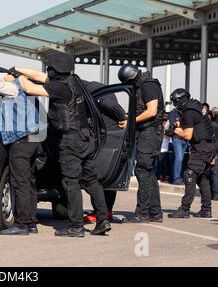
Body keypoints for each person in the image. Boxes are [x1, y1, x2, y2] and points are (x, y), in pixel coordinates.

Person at [14, 52, 112, 237]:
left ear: (55, 70)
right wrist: (18, 68)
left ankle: (76, 226)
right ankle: (102, 220)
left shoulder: (59, 88)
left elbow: (28, 87)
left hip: (71, 140)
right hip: (85, 138)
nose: (47, 72)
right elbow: (37, 76)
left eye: (49, 68)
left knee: (70, 182)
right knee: (91, 180)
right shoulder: (76, 82)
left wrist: (16, 76)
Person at [0, 70, 42, 235]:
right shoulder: (30, 90)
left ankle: (21, 224)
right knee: (29, 182)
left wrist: (3, 75)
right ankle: (31, 223)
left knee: (20, 182)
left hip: (20, 140)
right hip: (33, 139)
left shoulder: (15, 87)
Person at [118, 64, 164, 223]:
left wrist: (130, 121)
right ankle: (155, 213)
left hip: (150, 133)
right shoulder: (142, 86)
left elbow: (151, 111)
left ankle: (142, 213)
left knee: (143, 171)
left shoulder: (148, 85)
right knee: (148, 172)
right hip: (148, 132)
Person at [80, 79, 127, 223]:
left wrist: (121, 116)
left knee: (96, 175)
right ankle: (106, 211)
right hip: (107, 135)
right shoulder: (89, 88)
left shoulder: (92, 88)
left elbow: (109, 104)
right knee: (106, 176)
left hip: (106, 136)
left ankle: (102, 212)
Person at [167, 89, 215, 218]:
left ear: (180, 100)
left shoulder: (188, 112)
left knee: (189, 174)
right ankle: (206, 209)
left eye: (175, 102)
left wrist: (175, 132)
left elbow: (187, 135)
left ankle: (184, 209)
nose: (175, 105)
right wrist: (176, 125)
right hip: (208, 145)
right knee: (202, 177)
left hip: (202, 147)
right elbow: (191, 122)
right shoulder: (195, 106)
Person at [168, 108, 187, 185]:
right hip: (177, 138)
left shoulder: (185, 111)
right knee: (179, 158)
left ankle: (179, 177)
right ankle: (176, 178)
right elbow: (175, 125)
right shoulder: (173, 113)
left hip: (185, 138)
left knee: (181, 159)